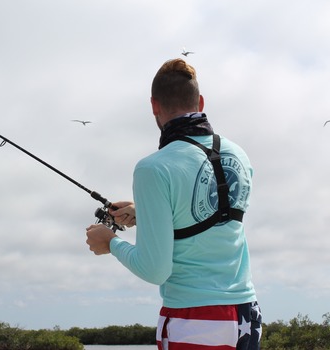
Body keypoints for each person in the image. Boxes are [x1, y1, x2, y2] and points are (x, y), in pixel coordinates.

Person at [85, 58, 262, 350]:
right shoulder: (239, 155)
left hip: (195, 320)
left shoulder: (152, 169)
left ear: (154, 105)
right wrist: (144, 213)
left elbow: (155, 270)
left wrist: (111, 242)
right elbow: (214, 219)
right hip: (247, 316)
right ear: (201, 101)